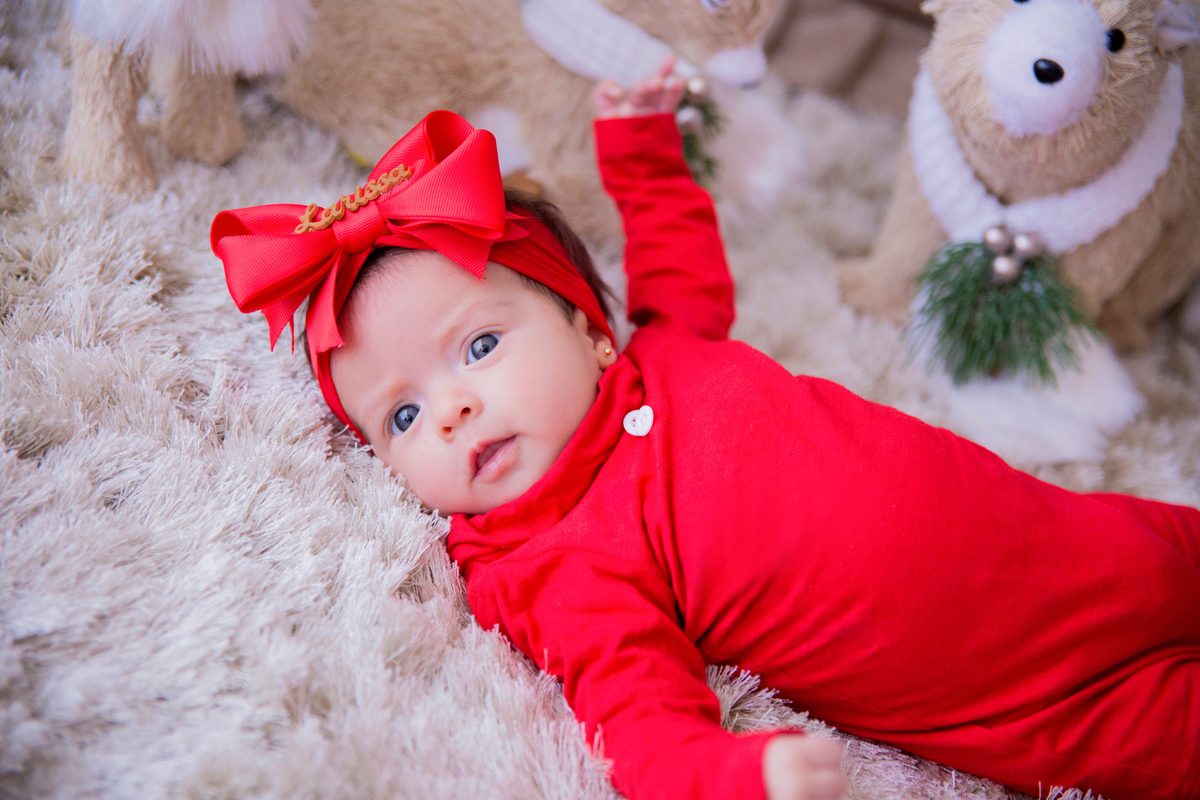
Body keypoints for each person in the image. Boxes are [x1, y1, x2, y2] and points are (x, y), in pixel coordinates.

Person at [211, 58, 1200, 800]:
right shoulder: (548, 561)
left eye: (476, 348)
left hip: (1072, 537)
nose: (455, 407)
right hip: (1022, 696)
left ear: (589, 330)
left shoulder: (667, 343)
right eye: (406, 414)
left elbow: (674, 244)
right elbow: (638, 719)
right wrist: (739, 772)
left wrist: (642, 146)